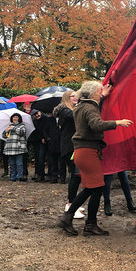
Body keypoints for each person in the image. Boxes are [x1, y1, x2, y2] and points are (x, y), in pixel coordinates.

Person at [58, 81, 133, 236]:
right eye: (99, 92)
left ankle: (80, 220)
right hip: (88, 152)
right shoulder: (89, 107)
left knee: (93, 188)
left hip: (82, 152)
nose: (101, 94)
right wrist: (117, 122)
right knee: (96, 187)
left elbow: (91, 114)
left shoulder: (80, 106)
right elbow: (96, 124)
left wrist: (104, 97)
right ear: (92, 93)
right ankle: (78, 220)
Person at [53, 90, 84, 219]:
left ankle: (73, 202)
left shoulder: (70, 109)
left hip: (72, 146)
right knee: (75, 175)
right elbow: (75, 116)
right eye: (73, 96)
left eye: (77, 96)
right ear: (67, 98)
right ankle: (70, 204)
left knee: (77, 175)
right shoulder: (65, 111)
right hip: (69, 147)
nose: (76, 98)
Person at [2, 113, 28, 182]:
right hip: (10, 148)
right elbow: (4, 135)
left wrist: (13, 128)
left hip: (19, 147)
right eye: (13, 117)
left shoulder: (22, 126)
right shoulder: (9, 126)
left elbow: (22, 132)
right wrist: (7, 130)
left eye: (16, 117)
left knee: (19, 163)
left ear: (19, 118)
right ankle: (12, 177)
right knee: (12, 164)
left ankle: (19, 176)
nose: (15, 119)